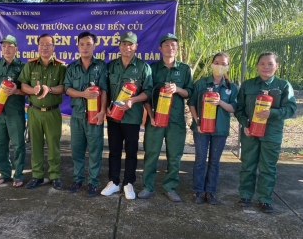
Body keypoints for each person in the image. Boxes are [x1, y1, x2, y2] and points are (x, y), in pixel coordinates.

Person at [235, 52, 296, 213]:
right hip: (250, 132)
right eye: (262, 63)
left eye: (270, 64)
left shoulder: (283, 85)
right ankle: (246, 196)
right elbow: (239, 109)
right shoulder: (248, 85)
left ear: (276, 66)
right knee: (248, 165)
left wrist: (272, 113)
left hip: (271, 134)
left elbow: (290, 109)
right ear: (257, 66)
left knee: (268, 167)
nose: (266, 67)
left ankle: (265, 199)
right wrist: (245, 124)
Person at [140, 33, 193, 202]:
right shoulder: (152, 68)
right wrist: (150, 115)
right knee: (151, 154)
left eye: (173, 45)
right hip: (155, 120)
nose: (170, 48)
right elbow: (146, 95)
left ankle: (170, 187)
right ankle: (148, 186)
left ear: (177, 48)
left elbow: (189, 92)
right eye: (167, 45)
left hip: (176, 121)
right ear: (160, 48)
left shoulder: (184, 69)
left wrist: (177, 89)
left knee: (175, 156)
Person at [101, 31, 153, 200]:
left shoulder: (144, 67)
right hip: (114, 117)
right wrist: (106, 107)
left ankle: (128, 183)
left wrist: (133, 100)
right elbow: (105, 90)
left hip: (132, 116)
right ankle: (114, 182)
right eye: (124, 44)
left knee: (131, 152)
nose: (127, 47)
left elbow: (148, 92)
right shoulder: (111, 66)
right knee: (114, 151)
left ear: (136, 47)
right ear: (119, 46)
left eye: (130, 44)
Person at [188, 52, 238, 204]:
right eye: (217, 62)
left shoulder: (231, 87)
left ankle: (210, 192)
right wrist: (198, 122)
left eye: (223, 64)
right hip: (201, 129)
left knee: (214, 161)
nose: (219, 66)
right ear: (211, 64)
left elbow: (233, 108)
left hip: (220, 129)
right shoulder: (201, 83)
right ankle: (197, 191)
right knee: (200, 160)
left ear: (227, 67)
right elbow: (191, 103)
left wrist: (220, 102)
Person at [18, 33, 66, 190]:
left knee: (54, 145)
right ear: (38, 47)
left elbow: (64, 87)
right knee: (35, 145)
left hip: (52, 112)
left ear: (54, 47)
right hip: (34, 112)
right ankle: (37, 175)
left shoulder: (61, 67)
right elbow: (22, 86)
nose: (44, 47)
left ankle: (55, 175)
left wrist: (50, 89)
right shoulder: (30, 65)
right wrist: (33, 89)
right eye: (42, 44)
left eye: (48, 44)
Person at [64, 31, 108, 197]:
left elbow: (104, 90)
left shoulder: (101, 66)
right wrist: (83, 94)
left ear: (94, 46)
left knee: (95, 151)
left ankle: (93, 182)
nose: (85, 47)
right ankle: (77, 180)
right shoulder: (72, 67)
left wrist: (103, 111)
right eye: (82, 44)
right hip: (76, 116)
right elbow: (67, 89)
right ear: (77, 46)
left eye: (88, 44)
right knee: (77, 150)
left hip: (95, 115)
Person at [0, 35, 26, 187]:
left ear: (16, 49)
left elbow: (26, 91)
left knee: (18, 145)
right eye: (4, 46)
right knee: (0, 144)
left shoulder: (22, 67)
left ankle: (19, 175)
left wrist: (16, 91)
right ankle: (4, 173)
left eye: (10, 46)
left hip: (15, 112)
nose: (6, 49)